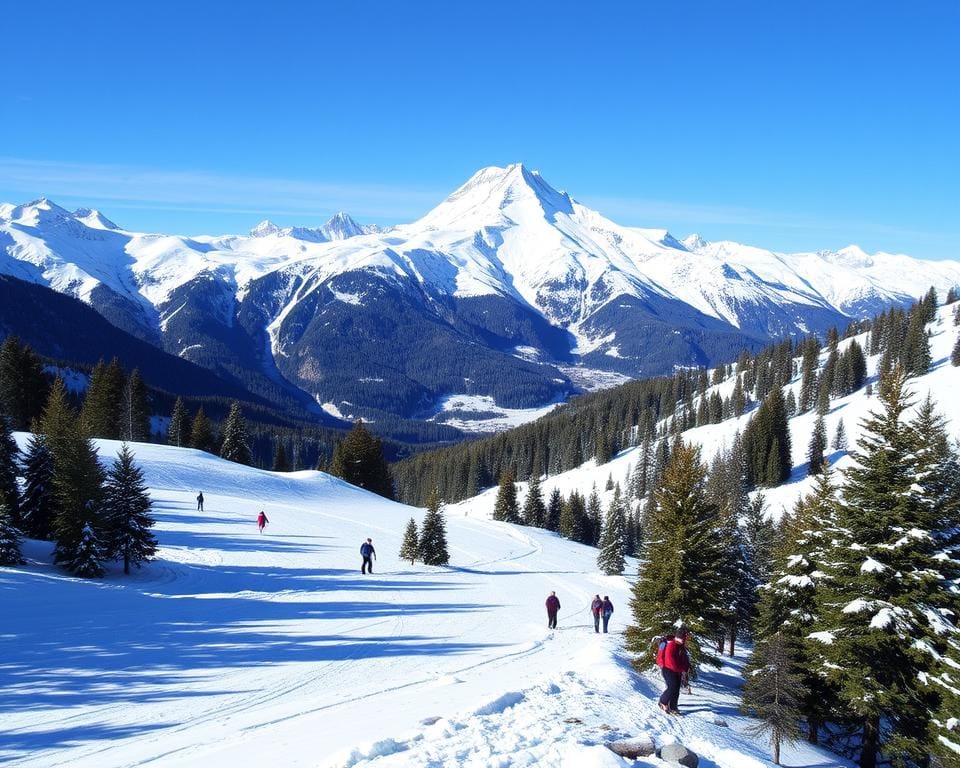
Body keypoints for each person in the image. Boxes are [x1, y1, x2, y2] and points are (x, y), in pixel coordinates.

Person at [657, 628, 691, 715]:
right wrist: (682, 669)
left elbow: (684, 658)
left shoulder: (680, 646)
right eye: (684, 638)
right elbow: (671, 663)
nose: (685, 640)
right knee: (672, 687)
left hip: (677, 671)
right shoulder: (671, 645)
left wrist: (686, 667)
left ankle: (673, 707)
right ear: (680, 637)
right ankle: (662, 702)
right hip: (668, 669)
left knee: (676, 689)